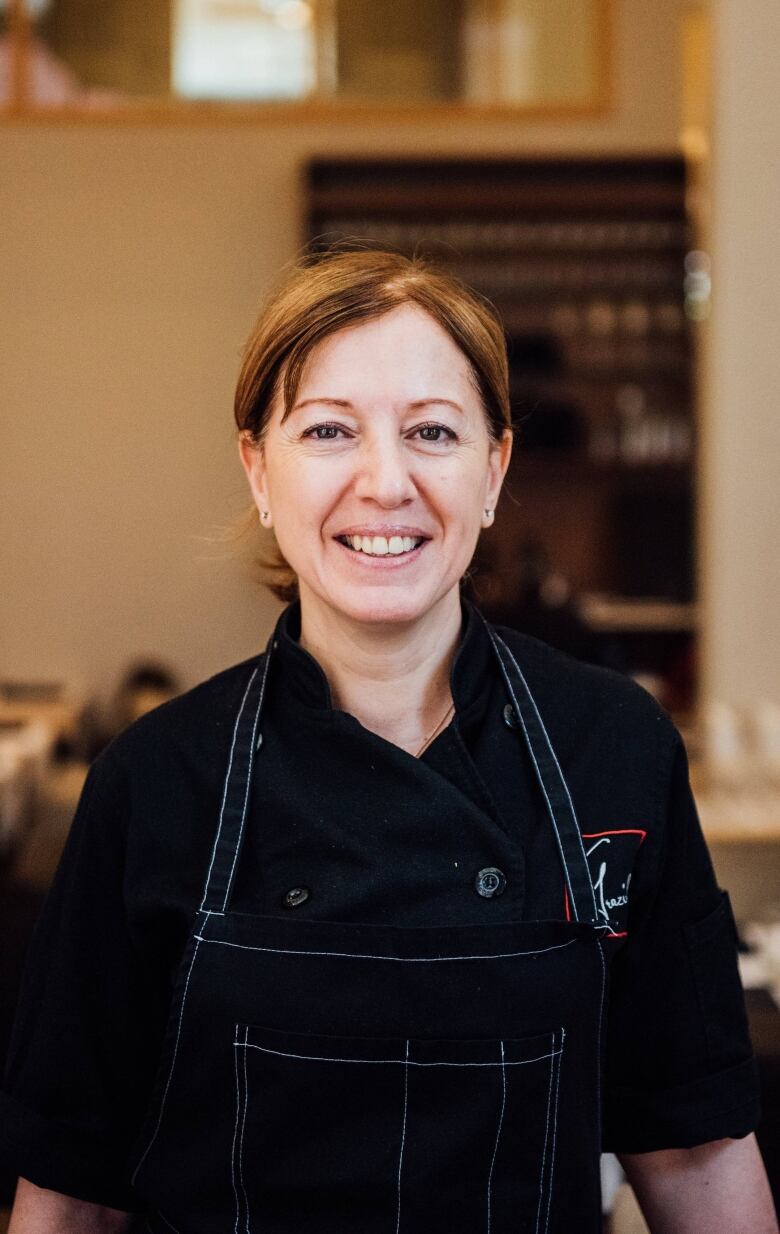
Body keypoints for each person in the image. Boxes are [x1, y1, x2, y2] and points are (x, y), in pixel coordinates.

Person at [1, 249, 777, 1233]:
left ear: (493, 470)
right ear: (259, 469)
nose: (385, 482)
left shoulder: (615, 748)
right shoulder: (154, 781)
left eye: (432, 432)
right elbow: (69, 1192)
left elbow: (697, 1149)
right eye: (328, 429)